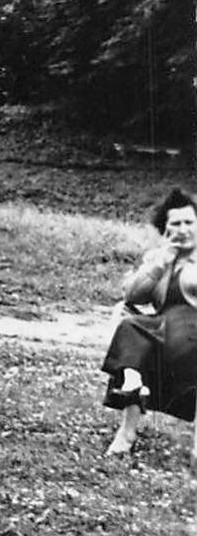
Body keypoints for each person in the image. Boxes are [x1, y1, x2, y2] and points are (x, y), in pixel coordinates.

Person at [101, 187, 197, 454]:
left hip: (192, 334)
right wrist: (160, 264)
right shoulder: (159, 258)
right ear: (165, 229)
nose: (183, 229)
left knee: (143, 332)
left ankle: (132, 384)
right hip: (164, 333)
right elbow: (132, 293)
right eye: (175, 224)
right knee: (129, 321)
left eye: (189, 222)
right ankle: (130, 400)